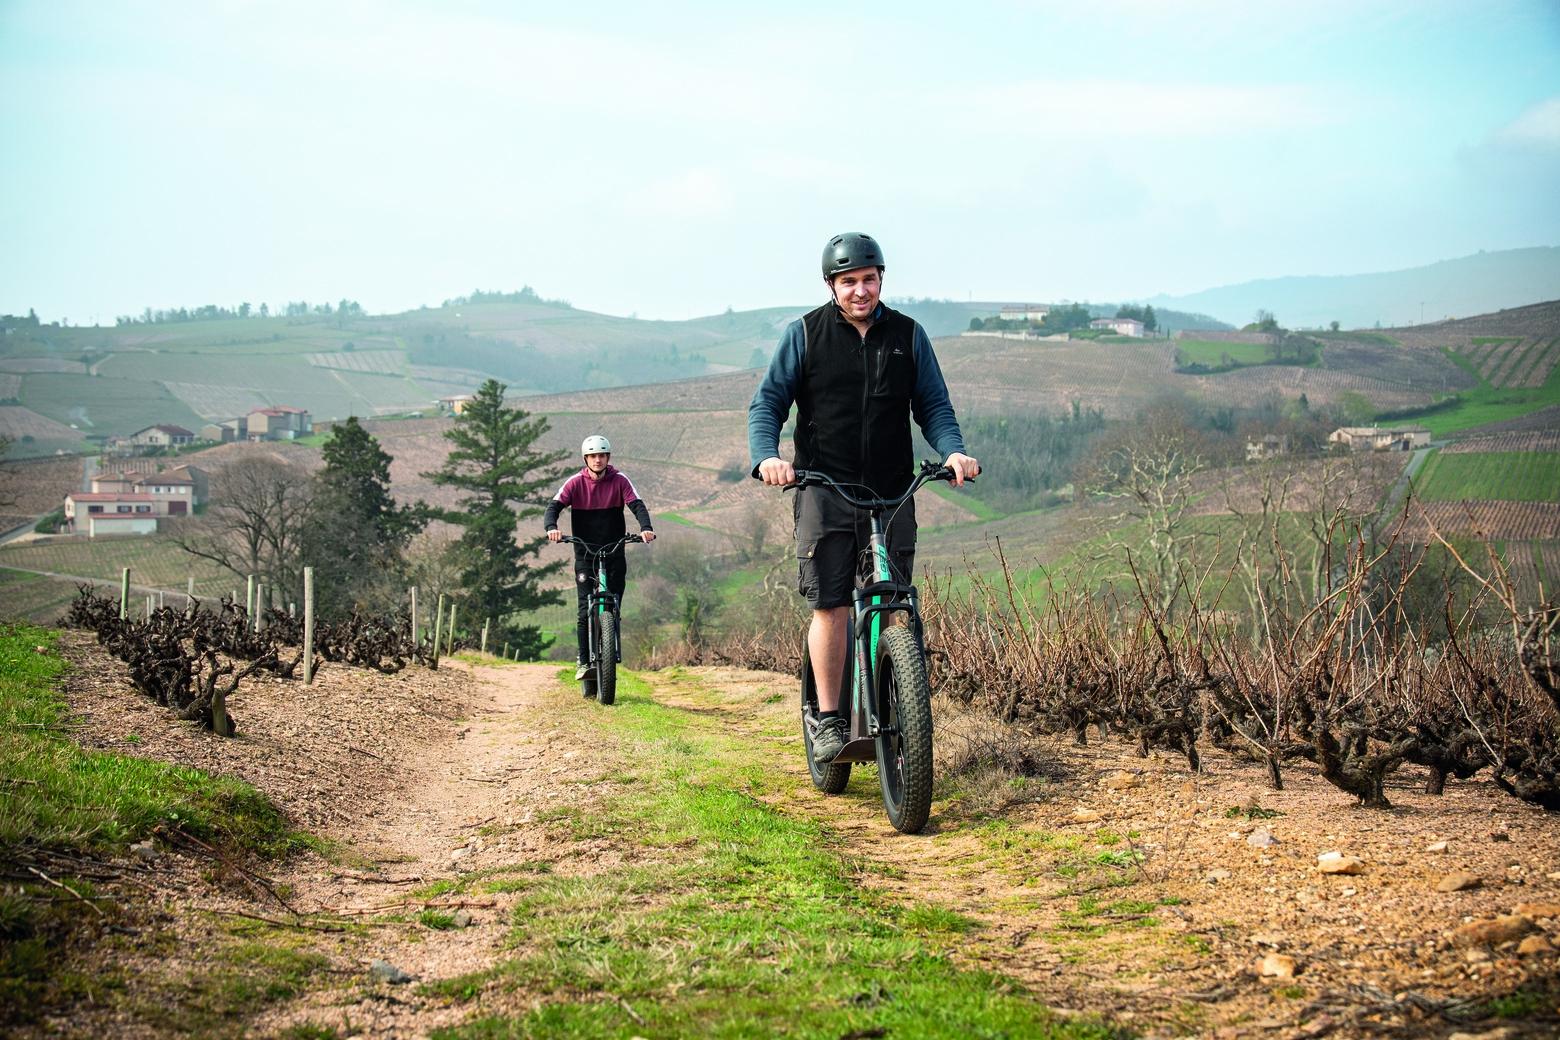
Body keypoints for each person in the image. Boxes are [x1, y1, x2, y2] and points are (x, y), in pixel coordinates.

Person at [748, 232, 979, 766]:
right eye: (848, 281)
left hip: (892, 490)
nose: (860, 291)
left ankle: (903, 713)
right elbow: (768, 405)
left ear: (881, 280)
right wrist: (768, 457)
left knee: (895, 601)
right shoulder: (804, 335)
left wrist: (954, 452)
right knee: (831, 605)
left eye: (868, 280)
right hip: (823, 487)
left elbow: (935, 407)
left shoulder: (908, 335)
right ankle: (828, 718)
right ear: (832, 285)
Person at [544, 435, 656, 680]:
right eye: (593, 456)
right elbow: (553, 507)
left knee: (614, 602)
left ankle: (609, 646)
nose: (598, 459)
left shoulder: (620, 480)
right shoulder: (574, 483)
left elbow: (637, 505)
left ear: (608, 458)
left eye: (602, 455)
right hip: (585, 553)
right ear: (586, 459)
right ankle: (584, 662)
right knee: (585, 608)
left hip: (614, 550)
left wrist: (646, 527)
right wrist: (551, 527)